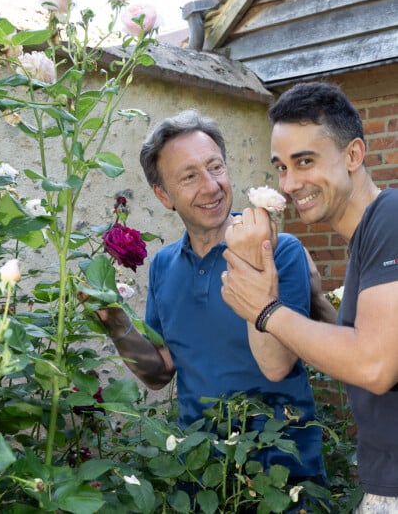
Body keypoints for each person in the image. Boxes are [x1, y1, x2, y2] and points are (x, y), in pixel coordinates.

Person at [94, 109, 326, 508]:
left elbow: (280, 363)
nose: (211, 186)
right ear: (163, 195)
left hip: (283, 473)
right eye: (189, 176)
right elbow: (161, 371)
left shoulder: (280, 250)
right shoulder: (164, 266)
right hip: (200, 475)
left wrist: (256, 262)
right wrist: (116, 323)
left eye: (215, 167)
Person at [220, 81, 398, 513]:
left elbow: (374, 366)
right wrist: (315, 303)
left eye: (305, 161)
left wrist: (266, 308)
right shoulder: (365, 238)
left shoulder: (390, 218)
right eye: (280, 166)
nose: (290, 182)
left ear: (353, 155)